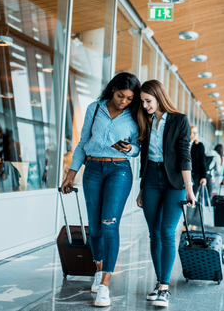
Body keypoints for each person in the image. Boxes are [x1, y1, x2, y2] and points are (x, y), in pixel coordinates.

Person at [60, 72, 141, 307]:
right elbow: (83, 142)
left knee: (109, 224)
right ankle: (98, 269)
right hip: (93, 169)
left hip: (119, 170)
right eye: (120, 96)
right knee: (94, 227)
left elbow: (138, 148)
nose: (123, 102)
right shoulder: (95, 108)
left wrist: (129, 150)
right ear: (113, 89)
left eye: (128, 98)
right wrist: (71, 174)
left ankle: (105, 285)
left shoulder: (134, 114)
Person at [136, 80, 196, 308]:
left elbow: (184, 154)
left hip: (174, 182)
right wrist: (142, 187)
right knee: (153, 233)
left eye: (148, 101)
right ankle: (160, 282)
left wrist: (189, 188)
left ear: (159, 97)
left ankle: (164, 287)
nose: (145, 105)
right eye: (142, 102)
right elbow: (143, 157)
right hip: (150, 178)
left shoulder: (180, 120)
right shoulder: (145, 120)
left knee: (167, 231)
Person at [187, 124, 207, 228]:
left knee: (192, 198)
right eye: (193, 132)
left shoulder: (199, 145)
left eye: (196, 132)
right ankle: (187, 221)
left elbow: (203, 162)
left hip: (196, 175)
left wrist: (204, 177)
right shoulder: (184, 144)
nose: (195, 134)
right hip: (184, 175)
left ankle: (190, 222)